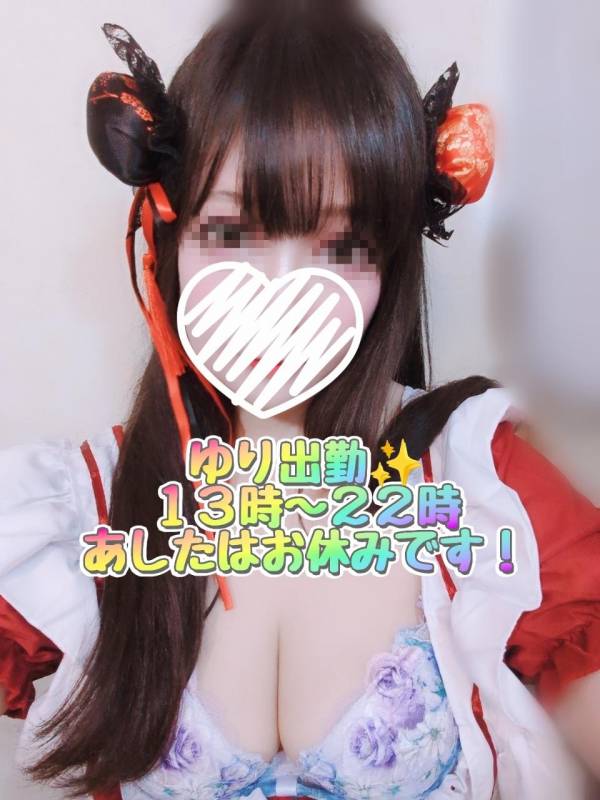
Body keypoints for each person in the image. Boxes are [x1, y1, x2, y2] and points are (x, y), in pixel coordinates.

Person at [1, 2, 599, 799]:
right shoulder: (89, 505)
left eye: (342, 245)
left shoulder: (480, 485)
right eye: (231, 232)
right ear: (169, 234)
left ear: (390, 262)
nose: (282, 293)